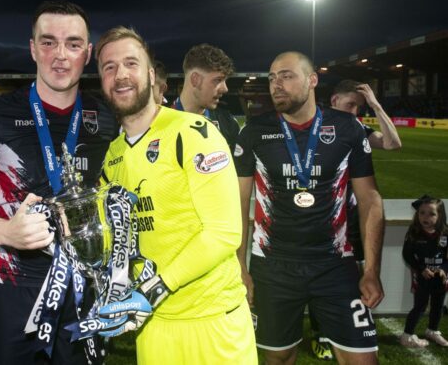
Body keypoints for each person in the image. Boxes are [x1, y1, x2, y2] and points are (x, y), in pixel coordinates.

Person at [0, 0, 117, 364]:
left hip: (85, 289)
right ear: (33, 48)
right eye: (48, 42)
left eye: (72, 44)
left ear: (87, 53)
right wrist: (6, 232)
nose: (60, 55)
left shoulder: (105, 119)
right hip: (13, 286)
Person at [94, 26, 257, 364]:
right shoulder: (110, 157)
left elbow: (224, 232)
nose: (120, 74)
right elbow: (113, 240)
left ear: (151, 75)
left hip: (213, 322)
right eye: (109, 67)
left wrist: (152, 290)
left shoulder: (194, 133)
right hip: (153, 328)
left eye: (131, 63)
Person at [236, 51, 385, 365]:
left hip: (336, 265)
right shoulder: (254, 132)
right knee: (278, 357)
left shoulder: (348, 129)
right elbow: (237, 204)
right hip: (273, 266)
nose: (277, 84)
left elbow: (370, 200)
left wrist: (371, 270)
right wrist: (241, 266)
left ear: (312, 80)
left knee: (363, 360)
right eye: (272, 78)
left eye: (287, 76)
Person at [309, 79, 403, 360]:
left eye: (359, 108)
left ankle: (349, 328)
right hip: (321, 218)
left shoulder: (358, 128)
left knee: (355, 274)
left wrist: (375, 105)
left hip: (351, 218)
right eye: (351, 105)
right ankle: (320, 334)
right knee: (318, 277)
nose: (355, 111)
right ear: (335, 100)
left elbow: (392, 143)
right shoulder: (314, 125)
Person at [171, 44, 240, 156]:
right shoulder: (159, 123)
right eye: (218, 80)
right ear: (195, 79)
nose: (225, 89)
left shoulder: (228, 123)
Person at [400, 195, 448, 348]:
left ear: (440, 215)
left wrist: (444, 270)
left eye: (431, 213)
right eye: (422, 213)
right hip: (422, 276)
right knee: (420, 306)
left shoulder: (445, 232)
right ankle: (407, 335)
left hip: (440, 277)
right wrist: (421, 269)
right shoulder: (414, 232)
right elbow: (407, 254)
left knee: (438, 306)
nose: (425, 217)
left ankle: (432, 330)